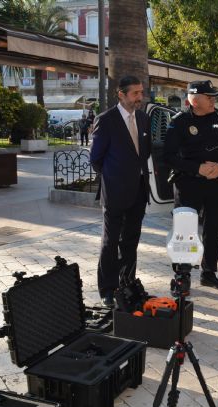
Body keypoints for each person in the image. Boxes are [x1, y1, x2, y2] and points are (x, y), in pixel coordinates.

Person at [164, 80, 218, 291]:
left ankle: (209, 273)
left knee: (213, 230)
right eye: (209, 97)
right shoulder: (179, 122)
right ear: (194, 100)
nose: (214, 100)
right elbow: (168, 156)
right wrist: (197, 168)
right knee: (185, 232)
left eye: (214, 96)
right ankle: (182, 277)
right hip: (188, 184)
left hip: (215, 183)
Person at [90, 76, 151, 307]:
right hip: (115, 192)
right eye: (135, 93)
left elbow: (143, 154)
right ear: (121, 94)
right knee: (110, 241)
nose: (140, 98)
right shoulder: (106, 120)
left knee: (131, 240)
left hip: (138, 191)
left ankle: (127, 281)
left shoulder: (144, 119)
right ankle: (107, 288)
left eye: (141, 93)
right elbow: (96, 159)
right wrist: (114, 177)